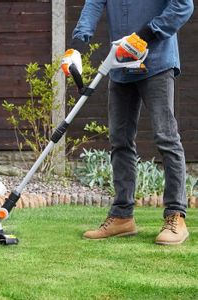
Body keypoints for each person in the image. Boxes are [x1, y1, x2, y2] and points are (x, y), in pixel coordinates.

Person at [62, 0, 194, 245]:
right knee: (120, 141)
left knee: (166, 138)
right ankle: (122, 216)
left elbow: (183, 6)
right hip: (121, 65)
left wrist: (146, 35)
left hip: (157, 61)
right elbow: (93, 4)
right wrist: (76, 47)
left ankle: (176, 215)